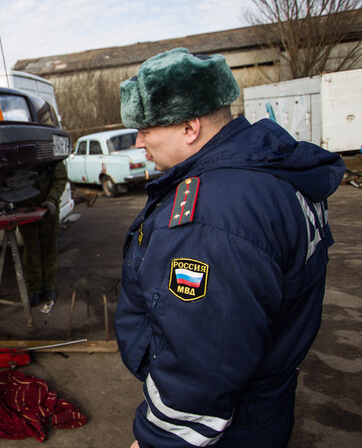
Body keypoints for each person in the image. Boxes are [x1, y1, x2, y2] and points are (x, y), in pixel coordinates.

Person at [114, 48, 344, 447]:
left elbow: (203, 357)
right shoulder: (271, 170)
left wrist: (159, 438)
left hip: (232, 421)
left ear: (189, 128)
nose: (138, 142)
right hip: (269, 390)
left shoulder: (208, 217)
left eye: (146, 129)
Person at [18, 159, 67, 310]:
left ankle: (48, 289)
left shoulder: (51, 156)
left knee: (49, 251)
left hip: (48, 211)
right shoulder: (19, 155)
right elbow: (9, 180)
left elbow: (60, 179)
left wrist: (52, 199)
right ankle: (34, 291)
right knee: (31, 253)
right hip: (25, 210)